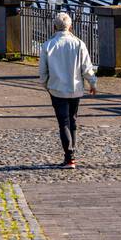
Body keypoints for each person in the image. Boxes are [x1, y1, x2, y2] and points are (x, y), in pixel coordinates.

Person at [38, 11, 97, 168]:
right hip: (75, 88)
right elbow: (86, 68)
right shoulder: (79, 44)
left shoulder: (47, 45)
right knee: (72, 120)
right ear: (70, 26)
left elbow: (43, 73)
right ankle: (73, 153)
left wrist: (47, 86)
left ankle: (69, 156)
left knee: (63, 122)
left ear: (54, 27)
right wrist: (92, 83)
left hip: (57, 89)